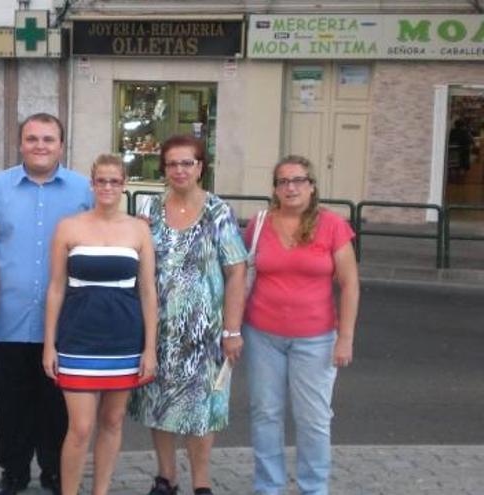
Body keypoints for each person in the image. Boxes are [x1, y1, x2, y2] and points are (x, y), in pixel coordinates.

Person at [0, 113, 93, 495]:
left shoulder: (82, 191)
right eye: (32, 139)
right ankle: (14, 471)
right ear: (20, 143)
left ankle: (55, 471)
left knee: (57, 407)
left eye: (48, 139)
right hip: (7, 319)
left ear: (61, 144)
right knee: (10, 405)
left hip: (65, 323)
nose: (40, 146)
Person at [127, 134, 247, 495]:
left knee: (202, 408)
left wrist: (231, 330)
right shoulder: (148, 210)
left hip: (205, 333)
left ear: (200, 168)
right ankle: (166, 477)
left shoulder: (217, 211)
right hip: (157, 330)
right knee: (159, 403)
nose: (179, 170)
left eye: (187, 163)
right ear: (163, 169)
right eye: (172, 163)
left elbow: (237, 270)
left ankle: (201, 482)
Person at [242, 155, 359, 495]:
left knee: (313, 420)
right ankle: (268, 486)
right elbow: (241, 275)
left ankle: (314, 488)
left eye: (298, 180)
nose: (290, 187)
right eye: (283, 181)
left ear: (311, 186)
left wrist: (346, 338)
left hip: (316, 338)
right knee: (265, 414)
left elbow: (350, 283)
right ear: (275, 188)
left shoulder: (332, 225)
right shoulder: (259, 224)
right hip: (263, 334)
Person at [42, 154, 158, 495]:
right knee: (80, 427)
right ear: (92, 184)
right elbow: (56, 287)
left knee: (112, 421)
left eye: (115, 181)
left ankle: (101, 491)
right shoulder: (68, 226)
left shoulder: (139, 229)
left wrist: (150, 348)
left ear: (124, 185)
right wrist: (50, 344)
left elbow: (149, 291)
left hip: (124, 338)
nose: (107, 187)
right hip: (78, 338)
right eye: (101, 180)